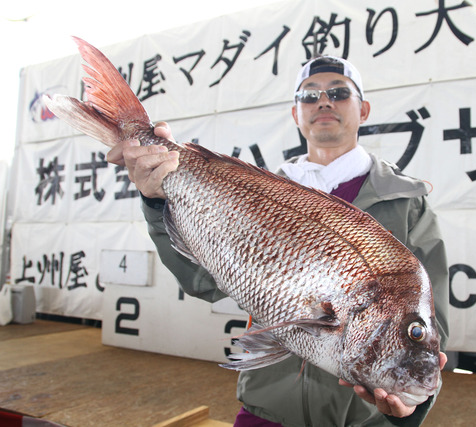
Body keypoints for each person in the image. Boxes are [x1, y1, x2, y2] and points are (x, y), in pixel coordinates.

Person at [107, 56, 449, 426]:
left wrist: (410, 412)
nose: (323, 101)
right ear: (294, 114)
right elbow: (202, 281)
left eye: (338, 92)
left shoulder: (407, 202)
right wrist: (157, 200)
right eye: (309, 95)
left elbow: (431, 327)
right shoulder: (259, 192)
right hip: (264, 414)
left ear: (363, 109)